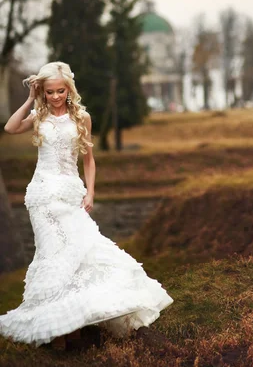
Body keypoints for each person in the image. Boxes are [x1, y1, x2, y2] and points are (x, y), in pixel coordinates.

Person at [0, 61, 173, 347]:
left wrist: (90, 192)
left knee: (88, 250)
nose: (55, 97)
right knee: (53, 256)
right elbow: (10, 127)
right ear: (43, 92)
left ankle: (80, 319)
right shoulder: (38, 115)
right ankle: (60, 333)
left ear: (69, 90)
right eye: (49, 92)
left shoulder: (82, 118)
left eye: (59, 91)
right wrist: (30, 98)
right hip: (42, 198)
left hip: (70, 195)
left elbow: (89, 159)